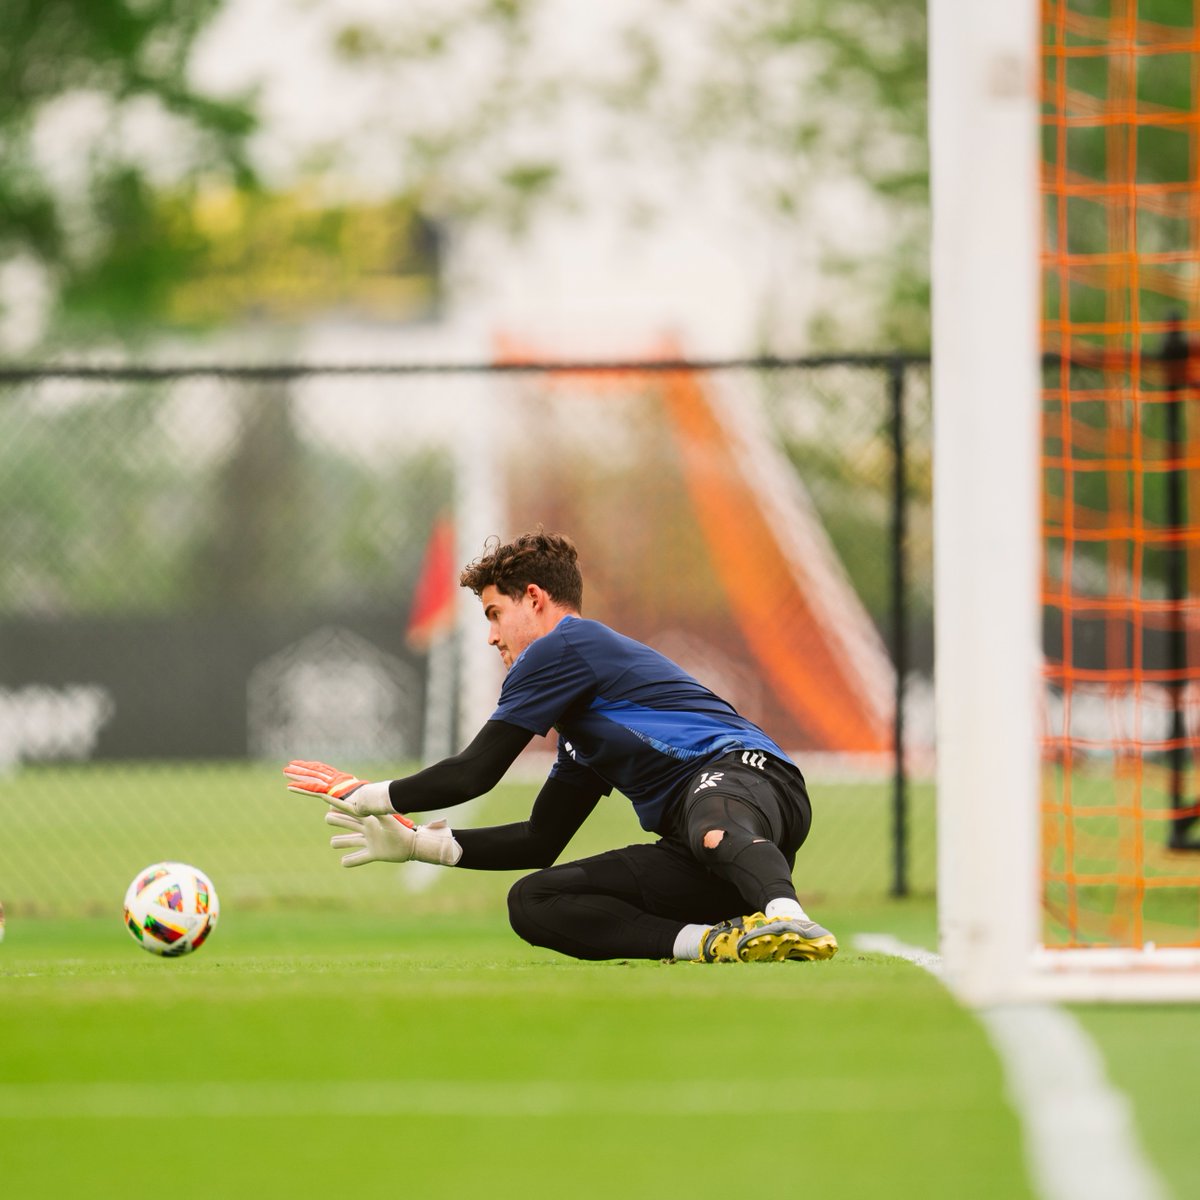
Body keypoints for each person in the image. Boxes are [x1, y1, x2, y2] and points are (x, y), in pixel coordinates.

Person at [284, 529, 837, 964]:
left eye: (495, 614)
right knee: (535, 901)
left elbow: (473, 773)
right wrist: (420, 848)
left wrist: (366, 794)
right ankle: (715, 943)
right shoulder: (584, 720)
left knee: (709, 820)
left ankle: (788, 915)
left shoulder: (565, 645)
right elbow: (539, 840)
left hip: (750, 778)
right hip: (709, 853)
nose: (493, 636)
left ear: (535, 598)